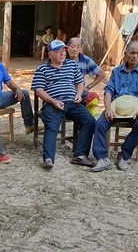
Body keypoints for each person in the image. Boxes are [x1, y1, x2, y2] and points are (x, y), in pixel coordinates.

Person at [91, 41, 138, 172]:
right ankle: (102, 159)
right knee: (99, 124)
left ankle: (124, 155)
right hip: (116, 108)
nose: (135, 56)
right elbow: (108, 90)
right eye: (132, 53)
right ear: (125, 54)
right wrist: (108, 108)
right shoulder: (116, 71)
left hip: (135, 109)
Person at [31, 39, 96, 169]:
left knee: (90, 120)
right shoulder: (42, 69)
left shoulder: (72, 65)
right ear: (50, 54)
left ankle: (80, 155)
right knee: (52, 125)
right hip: (52, 103)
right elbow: (39, 90)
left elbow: (80, 83)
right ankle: (48, 159)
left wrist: (78, 94)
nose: (62, 54)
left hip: (72, 102)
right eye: (58, 51)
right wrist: (53, 101)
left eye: (63, 51)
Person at [66, 37, 106, 104]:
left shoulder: (85, 60)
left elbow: (102, 74)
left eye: (78, 47)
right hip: (64, 91)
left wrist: (88, 87)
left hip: (80, 92)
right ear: (67, 47)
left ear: (81, 49)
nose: (75, 49)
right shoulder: (62, 59)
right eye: (72, 46)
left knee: (93, 98)